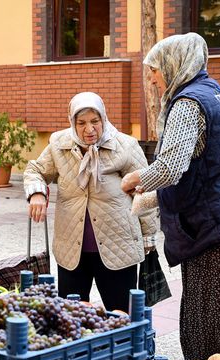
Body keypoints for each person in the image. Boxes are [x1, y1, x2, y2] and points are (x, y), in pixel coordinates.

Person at [120, 33, 220, 360]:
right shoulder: (215, 94)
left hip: (216, 235)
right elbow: (205, 172)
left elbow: (171, 168)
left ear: (174, 66)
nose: (152, 78)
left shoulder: (188, 104)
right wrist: (149, 202)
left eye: (155, 70)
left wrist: (136, 180)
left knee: (210, 331)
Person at [23, 91, 158, 312]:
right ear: (72, 123)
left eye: (95, 121)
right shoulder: (59, 144)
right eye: (81, 123)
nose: (89, 129)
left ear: (103, 118)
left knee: (122, 316)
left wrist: (148, 236)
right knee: (71, 317)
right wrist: (37, 193)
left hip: (118, 247)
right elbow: (35, 170)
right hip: (71, 251)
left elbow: (145, 192)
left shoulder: (126, 146)